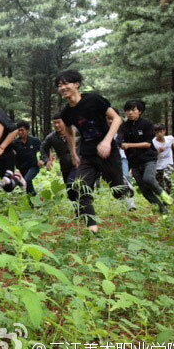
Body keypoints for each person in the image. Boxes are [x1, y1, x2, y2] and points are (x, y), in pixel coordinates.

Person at [56, 69, 132, 233]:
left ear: (76, 84)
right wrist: (73, 153)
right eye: (59, 85)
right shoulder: (66, 113)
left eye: (65, 83)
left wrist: (107, 141)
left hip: (108, 152)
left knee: (118, 192)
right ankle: (93, 229)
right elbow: (69, 132)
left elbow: (117, 119)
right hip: (88, 154)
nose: (62, 88)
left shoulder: (93, 99)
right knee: (81, 188)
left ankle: (126, 185)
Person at [119, 100, 172, 214]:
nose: (130, 113)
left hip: (148, 159)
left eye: (133, 110)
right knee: (145, 191)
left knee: (148, 179)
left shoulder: (147, 124)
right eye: (127, 110)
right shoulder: (123, 126)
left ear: (140, 111)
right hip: (134, 162)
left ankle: (163, 194)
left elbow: (147, 144)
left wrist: (128, 145)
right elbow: (119, 139)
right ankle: (163, 210)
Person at [38, 114, 78, 203]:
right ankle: (78, 209)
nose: (56, 125)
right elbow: (43, 148)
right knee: (70, 192)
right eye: (54, 123)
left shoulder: (75, 132)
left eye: (58, 122)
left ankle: (84, 205)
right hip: (65, 167)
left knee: (72, 184)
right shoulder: (51, 137)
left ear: (64, 122)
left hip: (78, 164)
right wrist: (46, 160)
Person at [12, 121, 41, 195]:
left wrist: (42, 160)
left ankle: (36, 200)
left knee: (27, 180)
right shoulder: (14, 143)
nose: (20, 132)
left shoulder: (35, 141)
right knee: (28, 185)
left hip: (33, 166)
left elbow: (43, 151)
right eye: (18, 130)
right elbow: (10, 155)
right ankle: (34, 200)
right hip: (22, 168)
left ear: (27, 130)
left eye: (22, 130)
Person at [152, 124, 174, 194]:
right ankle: (162, 196)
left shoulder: (169, 138)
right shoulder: (153, 142)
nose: (159, 134)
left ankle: (168, 193)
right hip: (158, 164)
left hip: (168, 162)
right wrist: (158, 151)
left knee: (167, 177)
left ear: (164, 131)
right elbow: (151, 155)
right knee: (159, 182)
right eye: (157, 132)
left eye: (161, 131)